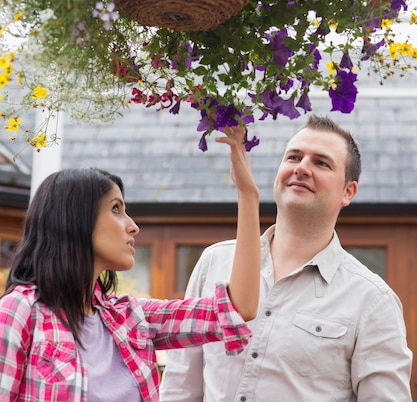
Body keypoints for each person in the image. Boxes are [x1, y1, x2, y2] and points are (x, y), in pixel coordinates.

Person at [160, 114, 413, 402]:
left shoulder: (372, 300)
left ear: (348, 192)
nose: (302, 168)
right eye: (293, 157)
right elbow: (179, 388)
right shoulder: (213, 263)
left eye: (321, 162)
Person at [0, 126, 260, 402]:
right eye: (115, 209)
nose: (133, 227)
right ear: (75, 219)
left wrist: (248, 195)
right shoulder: (19, 313)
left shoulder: (132, 318)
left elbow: (237, 308)